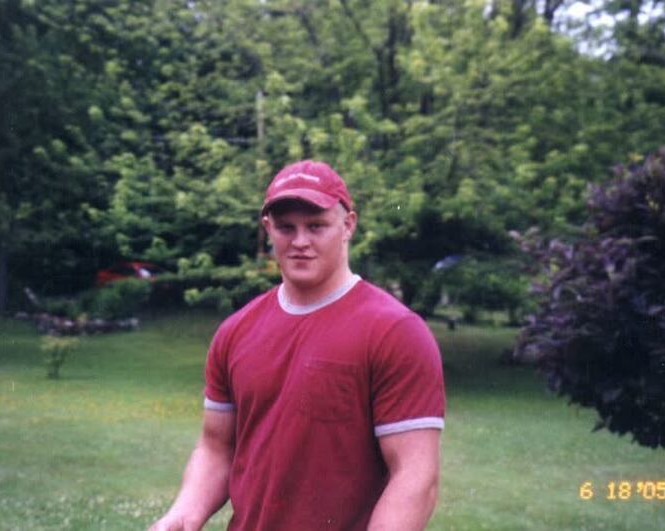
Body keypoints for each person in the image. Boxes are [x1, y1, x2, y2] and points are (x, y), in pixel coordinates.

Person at [149, 160, 446, 531]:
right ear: (268, 229)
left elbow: (415, 477)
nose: (300, 241)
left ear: (348, 225)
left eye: (316, 226)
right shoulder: (235, 331)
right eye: (286, 227)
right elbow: (216, 447)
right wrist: (182, 515)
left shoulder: (395, 332)